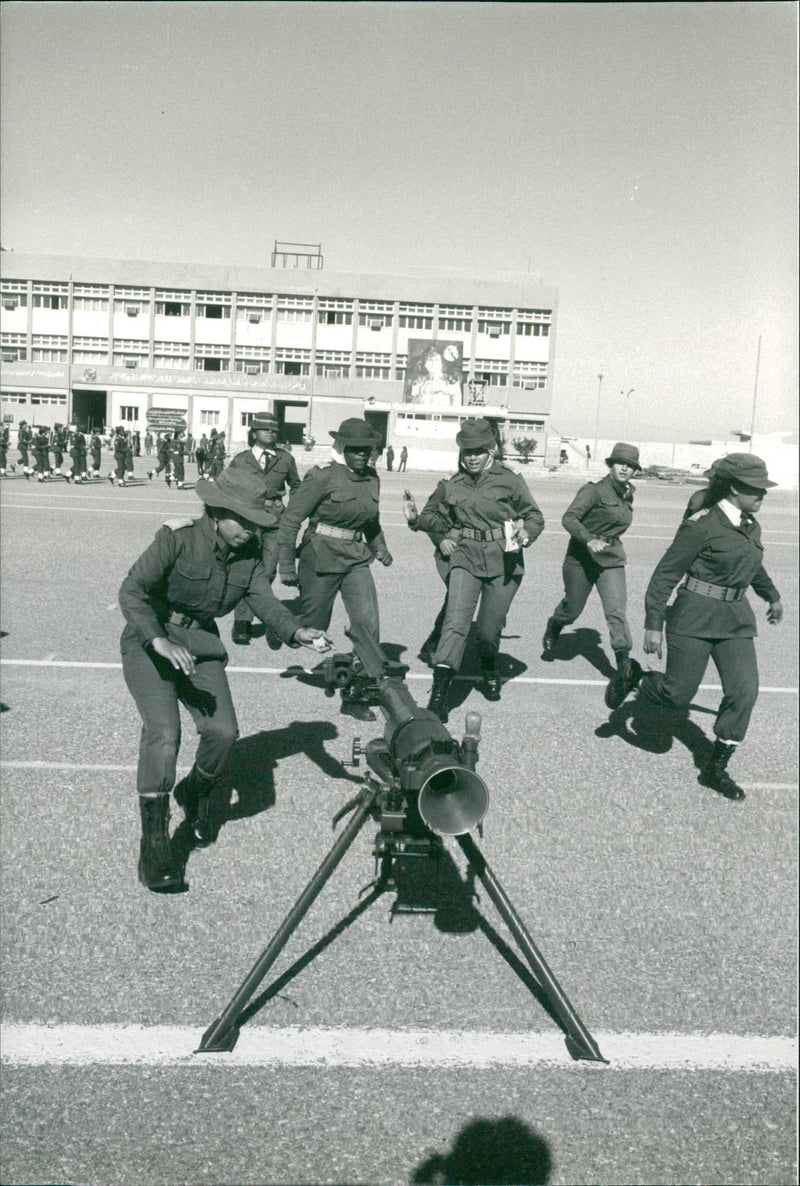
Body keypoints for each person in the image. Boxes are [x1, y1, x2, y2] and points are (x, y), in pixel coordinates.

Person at [119, 467, 331, 892]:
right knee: (164, 732)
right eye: (245, 521)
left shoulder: (249, 557)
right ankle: (155, 844)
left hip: (200, 642)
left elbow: (264, 602)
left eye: (257, 523)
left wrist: (297, 632)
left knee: (223, 732)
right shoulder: (177, 538)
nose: (252, 531)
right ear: (217, 512)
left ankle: (194, 792)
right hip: (150, 639)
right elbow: (132, 591)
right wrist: (158, 639)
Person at [629, 454, 783, 801]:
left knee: (744, 692)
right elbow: (665, 574)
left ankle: (715, 768)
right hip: (694, 617)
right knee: (677, 695)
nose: (762, 494)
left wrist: (771, 595)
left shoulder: (750, 525)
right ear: (734, 488)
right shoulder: (701, 524)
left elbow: (752, 565)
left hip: (735, 620)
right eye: (755, 488)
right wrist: (653, 624)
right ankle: (636, 678)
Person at [417, 419, 545, 721]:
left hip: (504, 560)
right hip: (465, 557)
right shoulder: (452, 483)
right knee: (455, 622)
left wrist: (526, 534)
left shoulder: (510, 479)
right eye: (467, 451)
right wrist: (418, 522)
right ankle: (439, 696)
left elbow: (534, 516)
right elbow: (432, 516)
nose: (472, 457)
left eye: (478, 451)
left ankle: (488, 664)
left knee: (489, 629)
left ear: (491, 450)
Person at [277, 417, 393, 721]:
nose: (362, 454)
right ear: (342, 448)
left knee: (368, 626)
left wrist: (379, 546)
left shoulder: (372, 479)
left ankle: (356, 695)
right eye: (355, 449)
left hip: (356, 558)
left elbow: (370, 519)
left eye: (367, 449)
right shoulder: (322, 477)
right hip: (321, 555)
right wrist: (286, 564)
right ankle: (282, 623)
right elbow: (291, 520)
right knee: (315, 626)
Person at [542, 442, 643, 709]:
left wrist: (604, 541)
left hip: (611, 558)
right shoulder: (594, 490)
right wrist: (589, 539)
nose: (625, 468)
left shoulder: (628, 493)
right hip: (581, 557)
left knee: (616, 612)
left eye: (630, 466)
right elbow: (569, 518)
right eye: (620, 463)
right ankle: (555, 624)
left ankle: (623, 667)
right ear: (611, 465)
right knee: (572, 608)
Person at [229, 411, 301, 645]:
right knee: (246, 568)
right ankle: (242, 622)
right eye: (264, 429)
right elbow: (227, 487)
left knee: (268, 571)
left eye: (274, 430)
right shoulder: (241, 460)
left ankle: (264, 616)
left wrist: (294, 512)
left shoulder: (285, 459)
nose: (270, 433)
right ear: (254, 433)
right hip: (248, 518)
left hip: (275, 519)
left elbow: (297, 486)